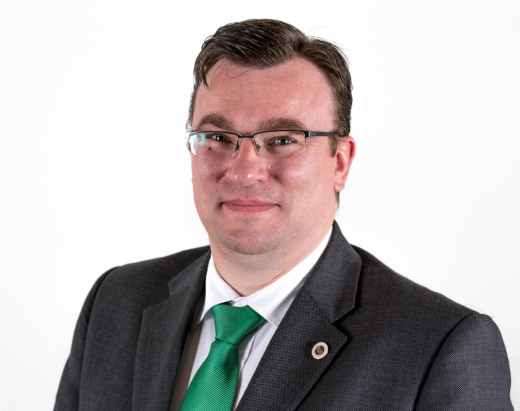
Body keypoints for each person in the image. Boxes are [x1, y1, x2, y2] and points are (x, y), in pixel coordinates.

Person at [55, 19, 513, 410]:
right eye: (218, 138)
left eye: (283, 140)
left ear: (340, 162)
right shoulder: (116, 302)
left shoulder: (440, 348)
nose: (244, 171)